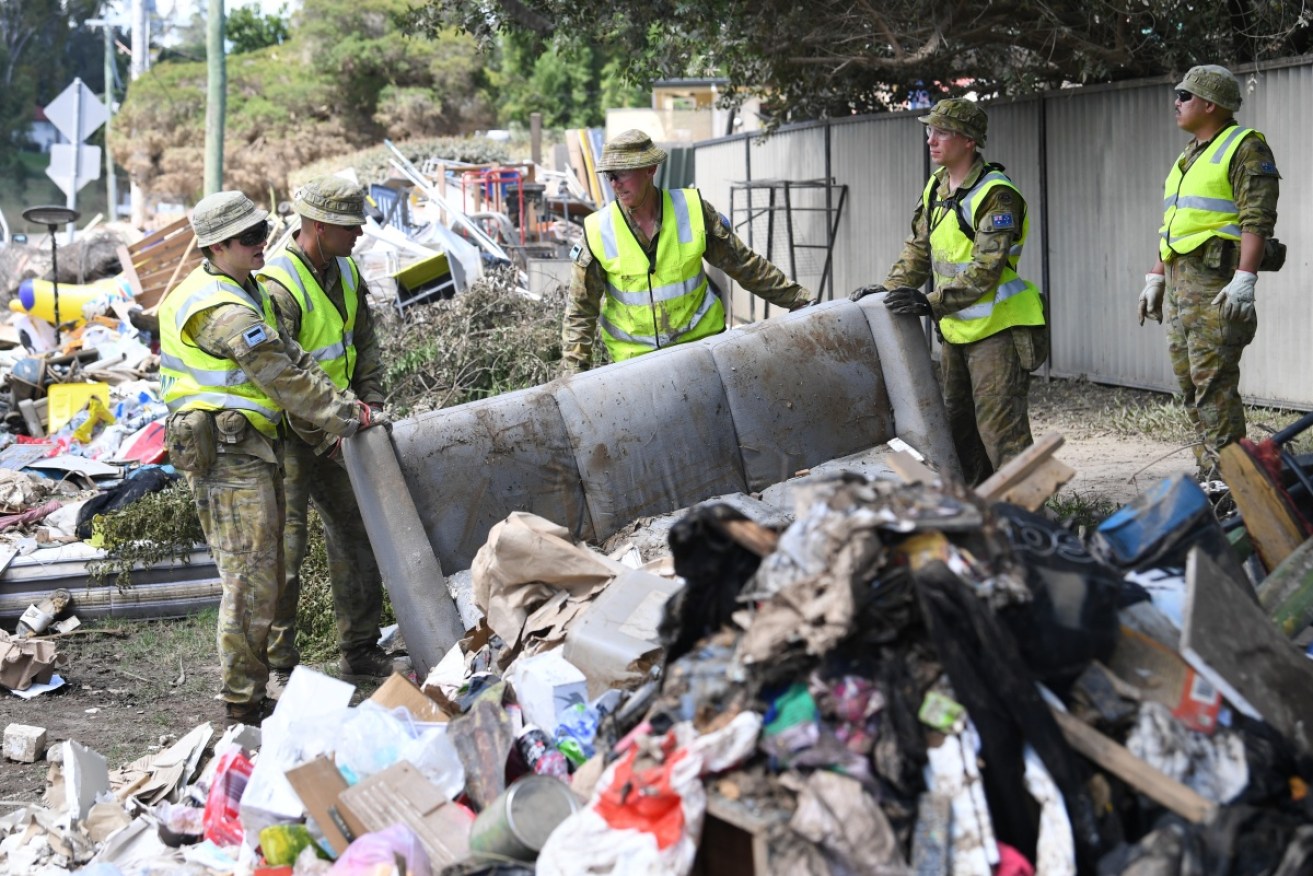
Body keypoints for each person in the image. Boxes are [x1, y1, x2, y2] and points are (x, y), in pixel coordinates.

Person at [160, 191, 382, 726]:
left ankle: (255, 693)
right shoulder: (216, 304)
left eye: (263, 231)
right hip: (226, 454)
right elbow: (278, 374)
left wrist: (348, 405)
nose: (262, 243)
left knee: (265, 571)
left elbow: (294, 356)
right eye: (249, 238)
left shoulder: (249, 288)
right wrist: (345, 416)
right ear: (216, 246)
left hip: (256, 446)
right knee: (251, 578)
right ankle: (244, 701)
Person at [853, 98, 1046, 486]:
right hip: (958, 331)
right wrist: (891, 289)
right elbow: (919, 250)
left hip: (999, 330)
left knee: (1000, 432)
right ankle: (981, 513)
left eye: (941, 131)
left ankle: (1035, 525)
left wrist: (930, 301)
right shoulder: (937, 188)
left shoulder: (996, 194)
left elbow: (986, 268)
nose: (931, 140)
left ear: (969, 140)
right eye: (930, 130)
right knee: (959, 429)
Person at [256, 177, 396, 687]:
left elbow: (365, 344)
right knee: (285, 553)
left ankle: (360, 651)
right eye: (350, 225)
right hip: (293, 436)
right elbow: (282, 381)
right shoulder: (279, 286)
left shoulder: (348, 269)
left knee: (357, 537)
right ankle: (279, 668)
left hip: (343, 426)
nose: (360, 232)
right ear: (318, 228)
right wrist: (330, 433)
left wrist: (371, 403)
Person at [561, 129, 813, 372]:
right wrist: (572, 379)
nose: (614, 183)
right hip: (635, 370)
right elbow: (580, 311)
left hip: (702, 356)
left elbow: (745, 265)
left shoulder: (692, 210)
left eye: (622, 173)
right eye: (609, 176)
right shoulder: (598, 230)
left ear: (650, 169)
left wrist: (799, 301)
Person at [1137, 64, 1280, 475]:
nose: (1176, 103)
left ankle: (1234, 487)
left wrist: (1245, 279)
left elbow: (1257, 219)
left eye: (1184, 95)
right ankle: (1212, 474)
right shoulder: (1188, 157)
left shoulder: (1246, 147)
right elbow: (1175, 226)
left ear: (1210, 104)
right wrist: (1156, 276)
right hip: (1183, 288)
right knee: (1190, 387)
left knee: (1214, 389)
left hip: (1217, 287)